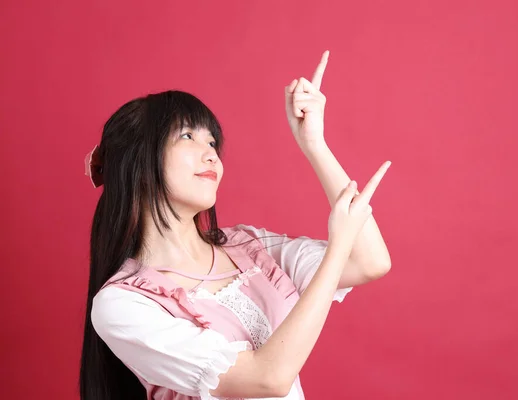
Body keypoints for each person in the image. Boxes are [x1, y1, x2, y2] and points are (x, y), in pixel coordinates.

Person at [79, 50, 392, 400]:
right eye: (187, 137)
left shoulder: (250, 248)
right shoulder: (122, 304)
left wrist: (314, 144)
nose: (211, 153)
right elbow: (265, 380)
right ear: (136, 158)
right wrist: (338, 244)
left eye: (212, 141)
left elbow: (370, 262)